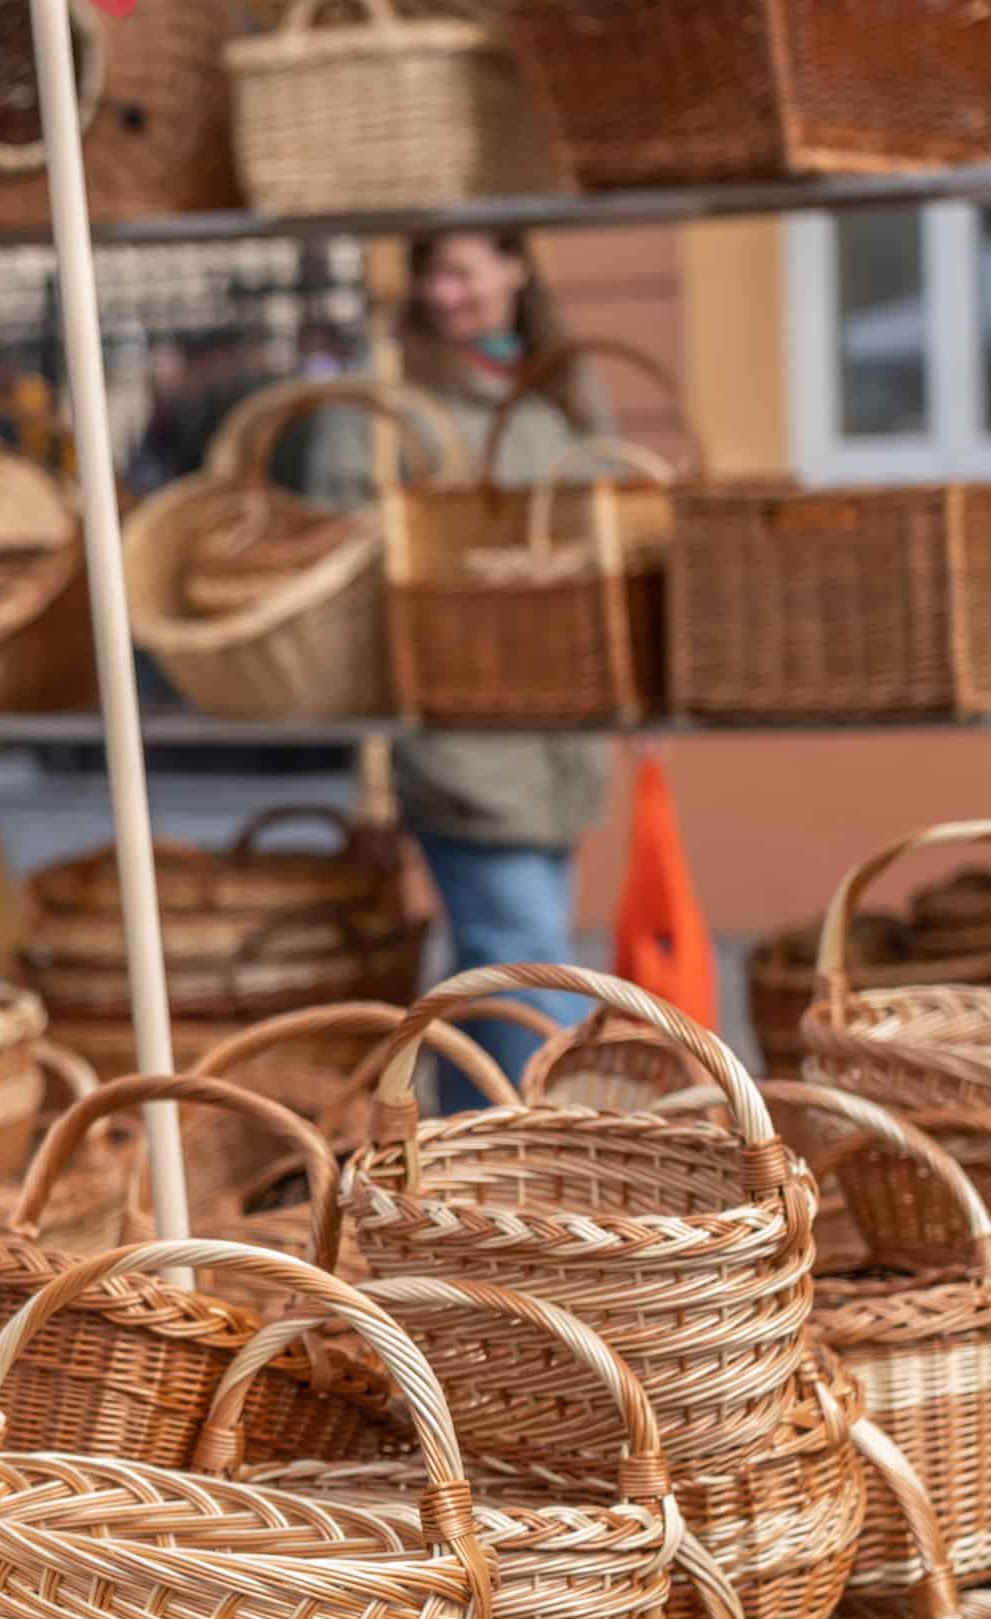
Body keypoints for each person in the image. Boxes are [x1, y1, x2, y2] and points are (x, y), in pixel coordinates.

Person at [384, 228, 616, 1104]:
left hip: (558, 739)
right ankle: (526, 1167)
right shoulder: (399, 406)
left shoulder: (556, 392)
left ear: (517, 267)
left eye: (460, 270)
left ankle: (457, 1167)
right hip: (462, 736)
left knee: (494, 969)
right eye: (429, 273)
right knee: (526, 969)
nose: (444, 294)